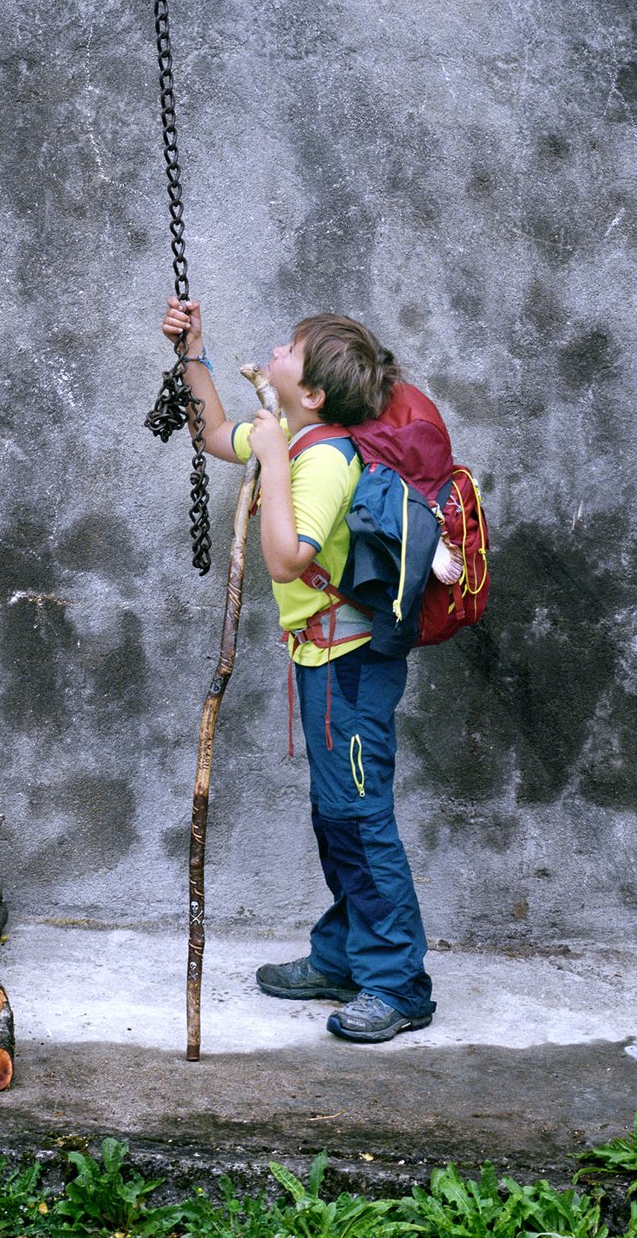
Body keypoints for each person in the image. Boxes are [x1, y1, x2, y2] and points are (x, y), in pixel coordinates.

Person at [159, 296, 436, 1043]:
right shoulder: (287, 435)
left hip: (352, 666)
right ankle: (346, 954)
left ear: (311, 392)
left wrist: (278, 458)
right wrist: (196, 352)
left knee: (360, 813)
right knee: (334, 812)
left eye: (289, 347)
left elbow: (287, 558)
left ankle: (399, 982)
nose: (275, 349)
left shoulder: (321, 459)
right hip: (320, 663)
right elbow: (217, 432)